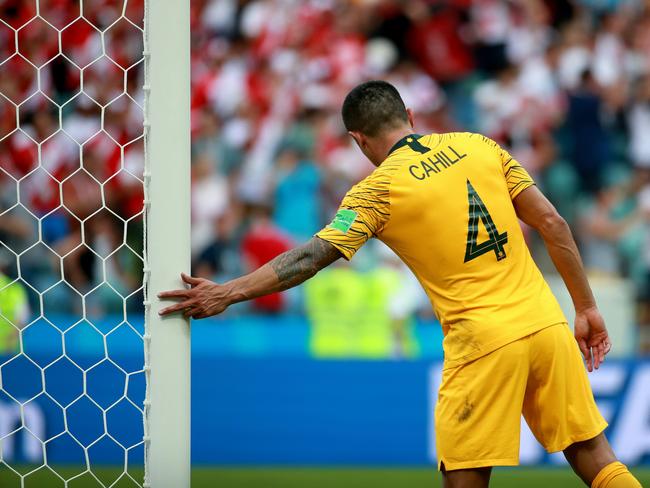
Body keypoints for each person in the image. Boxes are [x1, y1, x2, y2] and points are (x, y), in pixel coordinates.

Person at [159, 80, 641, 488]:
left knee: (465, 477)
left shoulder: (377, 189)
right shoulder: (479, 145)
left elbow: (311, 257)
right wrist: (587, 308)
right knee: (594, 455)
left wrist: (227, 291)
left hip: (483, 343)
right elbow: (553, 223)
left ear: (358, 140)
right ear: (409, 115)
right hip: (546, 323)